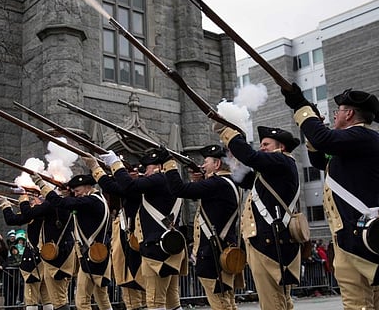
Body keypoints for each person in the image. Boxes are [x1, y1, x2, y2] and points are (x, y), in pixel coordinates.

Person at [281, 85, 379, 309]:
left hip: (358, 237)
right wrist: (314, 126)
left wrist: (302, 107)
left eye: (339, 110)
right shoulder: (355, 143)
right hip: (358, 235)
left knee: (358, 304)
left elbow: (324, 139)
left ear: (349, 114)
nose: (335, 115)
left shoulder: (361, 136)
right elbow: (320, 161)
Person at [213, 124, 301, 309]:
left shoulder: (281, 161)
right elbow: (245, 179)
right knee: (281, 300)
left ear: (281, 147)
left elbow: (251, 157)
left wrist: (226, 131)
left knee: (271, 302)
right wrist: (233, 158)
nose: (262, 148)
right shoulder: (272, 171)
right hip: (270, 241)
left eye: (266, 144)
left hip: (269, 243)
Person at [97, 148, 187, 310]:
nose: (145, 173)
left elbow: (129, 187)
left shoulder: (159, 180)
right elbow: (119, 188)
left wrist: (115, 164)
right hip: (168, 247)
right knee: (172, 301)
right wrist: (98, 170)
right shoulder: (168, 182)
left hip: (157, 251)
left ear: (158, 166)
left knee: (155, 302)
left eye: (148, 168)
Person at [161, 144, 244, 309]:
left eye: (206, 162)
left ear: (217, 164)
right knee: (228, 301)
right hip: (224, 248)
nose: (202, 166)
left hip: (212, 253)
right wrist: (201, 181)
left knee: (220, 303)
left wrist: (169, 163)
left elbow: (179, 189)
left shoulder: (217, 184)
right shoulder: (229, 182)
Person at [32, 174, 113, 310]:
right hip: (98, 256)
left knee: (82, 302)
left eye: (77, 191)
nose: (76, 195)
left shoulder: (91, 201)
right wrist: (66, 193)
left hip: (91, 257)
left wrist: (42, 185)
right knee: (102, 299)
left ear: (88, 187)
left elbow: (62, 203)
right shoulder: (98, 199)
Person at [82, 155, 147, 310]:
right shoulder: (147, 188)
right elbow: (113, 187)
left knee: (134, 295)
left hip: (132, 246)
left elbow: (110, 187)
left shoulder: (138, 190)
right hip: (137, 243)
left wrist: (95, 167)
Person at [12, 185, 76, 310]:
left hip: (53, 259)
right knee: (54, 298)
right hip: (60, 258)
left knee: (57, 300)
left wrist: (23, 199)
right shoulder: (65, 205)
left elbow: (24, 215)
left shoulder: (50, 207)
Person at [2, 194, 52, 310]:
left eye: (35, 198)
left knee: (31, 296)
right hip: (49, 258)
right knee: (47, 296)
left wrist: (6, 205)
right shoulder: (53, 211)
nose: (32, 200)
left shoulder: (35, 213)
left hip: (34, 259)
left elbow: (11, 219)